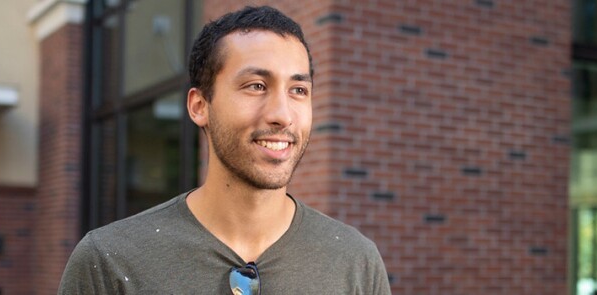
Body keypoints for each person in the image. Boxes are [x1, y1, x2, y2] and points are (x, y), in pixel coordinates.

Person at [58, 6, 391, 294]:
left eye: (298, 90)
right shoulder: (109, 260)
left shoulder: (355, 261)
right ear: (200, 105)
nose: (282, 114)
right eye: (256, 86)